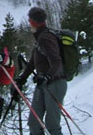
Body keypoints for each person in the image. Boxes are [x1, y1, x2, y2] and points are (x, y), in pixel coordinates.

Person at [12, 7, 67, 135]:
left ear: (33, 21)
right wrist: (21, 79)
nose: (29, 22)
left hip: (55, 83)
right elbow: (32, 63)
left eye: (29, 20)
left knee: (52, 125)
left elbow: (57, 61)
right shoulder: (40, 37)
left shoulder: (45, 38)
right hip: (44, 84)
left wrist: (47, 77)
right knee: (34, 123)